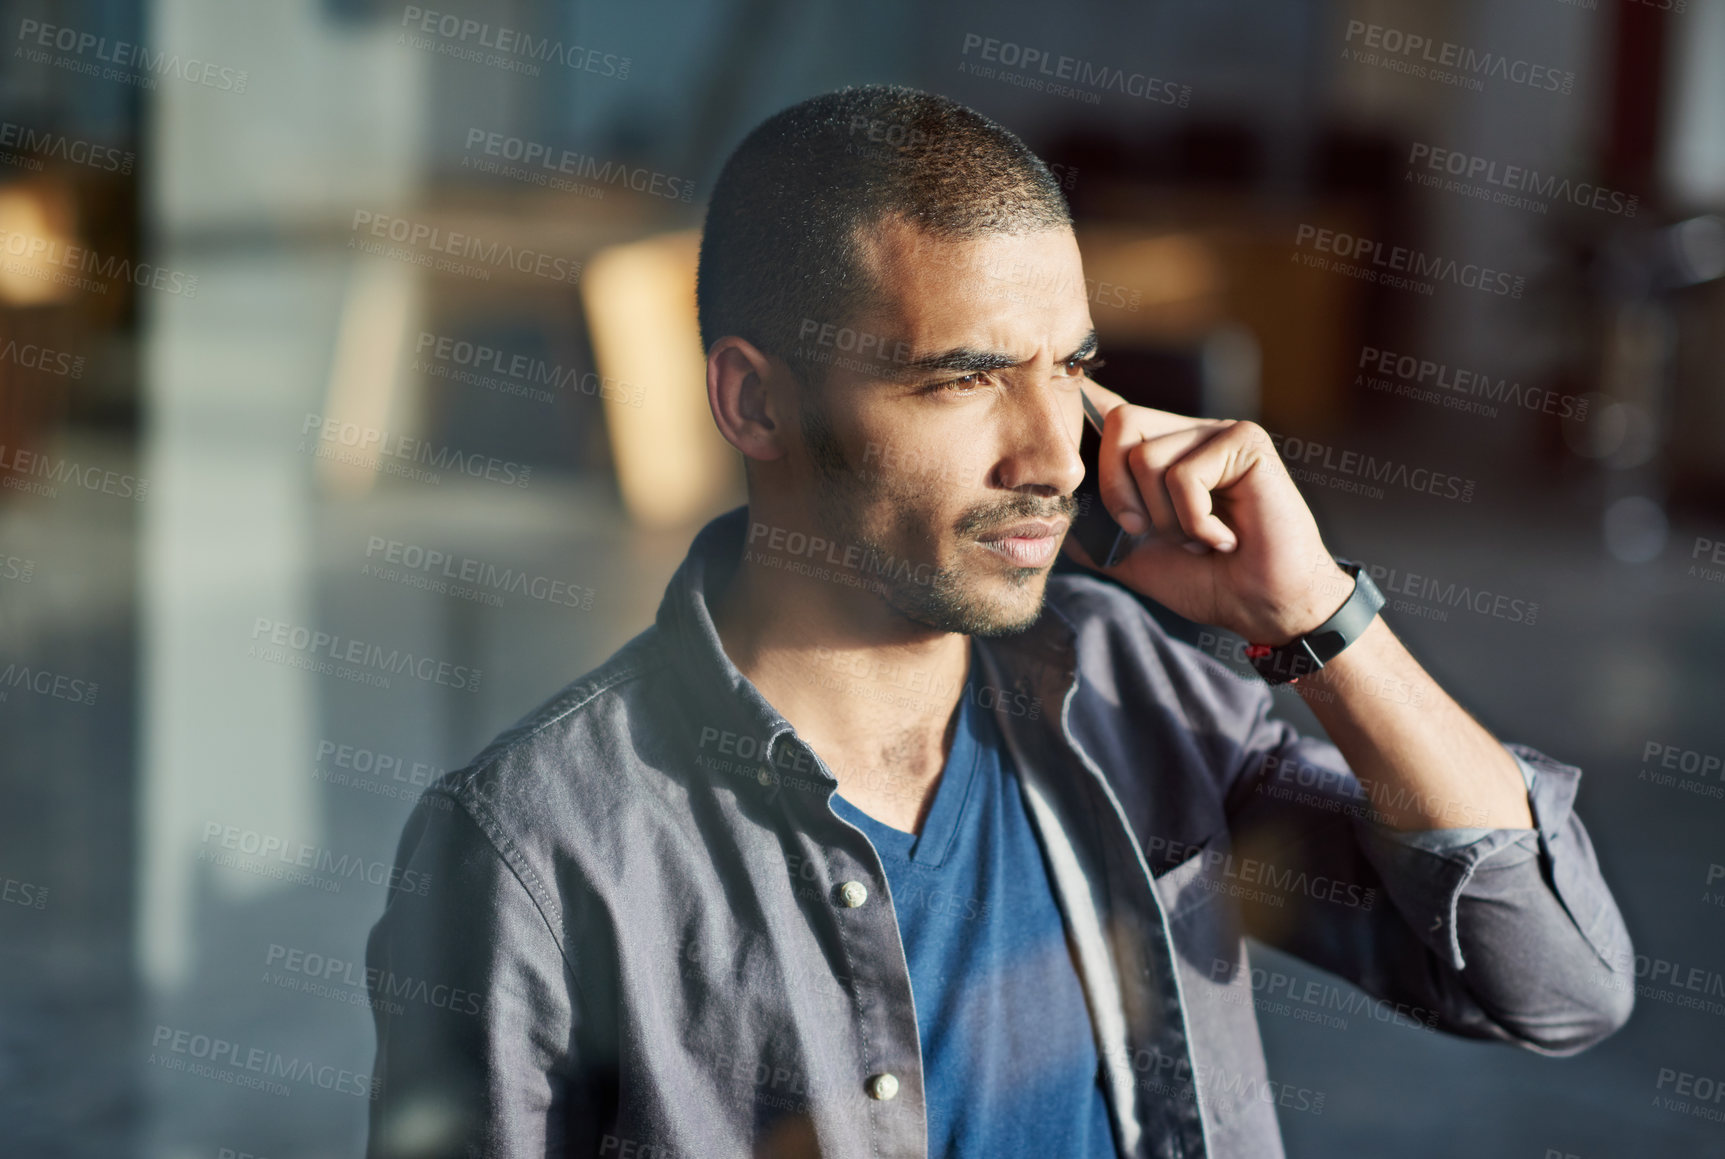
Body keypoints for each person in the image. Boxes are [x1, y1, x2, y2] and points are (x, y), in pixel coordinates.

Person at [364, 84, 1634, 1159]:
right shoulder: (536, 848)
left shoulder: (1136, 688)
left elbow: (1556, 986)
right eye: (963, 378)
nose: (1056, 456)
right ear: (755, 402)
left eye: (1071, 368)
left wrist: (1315, 619)